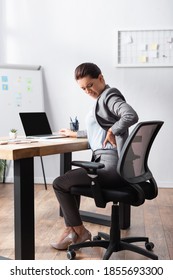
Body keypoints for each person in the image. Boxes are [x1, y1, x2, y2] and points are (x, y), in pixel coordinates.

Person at [51, 62, 139, 250]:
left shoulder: (109, 95)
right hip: (111, 163)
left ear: (101, 78)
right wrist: (75, 134)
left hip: (110, 166)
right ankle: (73, 230)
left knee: (60, 183)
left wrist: (113, 131)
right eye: (83, 88)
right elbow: (98, 130)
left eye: (90, 85)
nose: (87, 90)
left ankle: (78, 231)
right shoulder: (101, 100)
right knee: (70, 182)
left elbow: (130, 115)